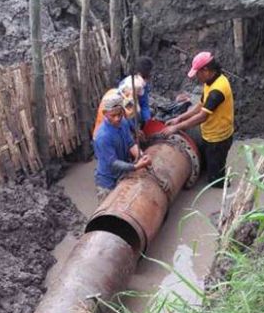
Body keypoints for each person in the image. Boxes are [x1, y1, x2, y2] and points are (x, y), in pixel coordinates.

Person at [161, 52, 234, 188]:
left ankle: (223, 183)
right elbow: (200, 105)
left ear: (205, 70)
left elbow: (202, 116)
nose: (196, 77)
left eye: (197, 73)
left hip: (218, 138)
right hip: (210, 134)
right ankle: (216, 169)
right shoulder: (211, 81)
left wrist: (176, 128)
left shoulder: (218, 90)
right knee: (210, 164)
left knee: (215, 180)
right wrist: (178, 118)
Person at [93, 93, 152, 203]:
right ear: (105, 114)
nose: (117, 118)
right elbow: (113, 163)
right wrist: (135, 166)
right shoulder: (102, 136)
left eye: (120, 114)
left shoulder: (123, 123)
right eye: (113, 115)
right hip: (108, 182)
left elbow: (130, 143)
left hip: (123, 173)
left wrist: (141, 155)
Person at [118, 56, 154, 126]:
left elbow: (144, 104)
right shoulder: (134, 87)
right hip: (123, 118)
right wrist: (134, 129)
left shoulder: (129, 81)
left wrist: (148, 122)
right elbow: (127, 113)